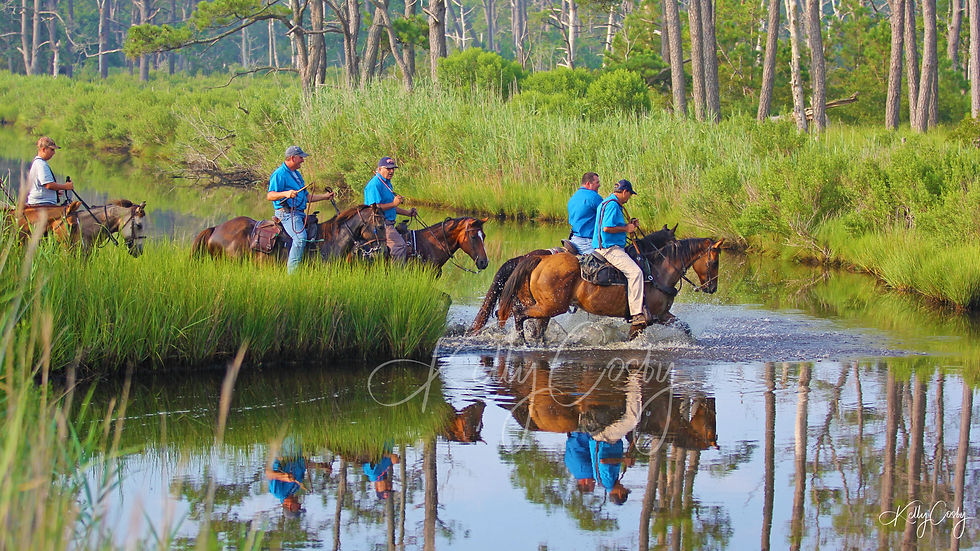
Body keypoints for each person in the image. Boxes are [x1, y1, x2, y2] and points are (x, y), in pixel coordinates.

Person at [266, 145, 335, 273]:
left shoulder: (296, 174)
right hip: (286, 214)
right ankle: (292, 274)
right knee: (300, 238)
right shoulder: (279, 174)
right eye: (301, 158)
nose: (303, 160)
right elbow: (270, 195)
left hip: (299, 213)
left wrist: (325, 197)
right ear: (293, 158)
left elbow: (307, 197)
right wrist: (286, 193)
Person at [592, 179, 645, 330]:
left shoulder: (609, 202)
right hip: (610, 249)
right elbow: (607, 228)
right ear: (625, 192)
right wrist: (626, 229)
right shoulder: (613, 205)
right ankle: (637, 314)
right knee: (636, 273)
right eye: (629, 194)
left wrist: (629, 225)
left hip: (610, 246)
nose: (629, 198)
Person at [363, 157, 416, 261]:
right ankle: (397, 270)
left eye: (393, 169)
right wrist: (393, 203)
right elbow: (374, 208)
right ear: (380, 169)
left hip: (389, 223)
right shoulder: (374, 185)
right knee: (399, 245)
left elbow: (391, 208)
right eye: (388, 169)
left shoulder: (387, 183)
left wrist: (408, 213)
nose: (391, 171)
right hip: (379, 224)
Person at [26, 136, 73, 206]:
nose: (54, 153)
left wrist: (55, 193)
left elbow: (43, 185)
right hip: (41, 204)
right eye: (52, 150)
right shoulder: (41, 164)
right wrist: (66, 186)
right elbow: (48, 185)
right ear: (44, 149)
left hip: (41, 202)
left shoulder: (39, 163)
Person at [566, 172, 602, 255]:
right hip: (588, 243)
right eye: (597, 182)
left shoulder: (573, 197)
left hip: (574, 240)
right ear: (588, 184)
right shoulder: (594, 197)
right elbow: (607, 217)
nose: (599, 185)